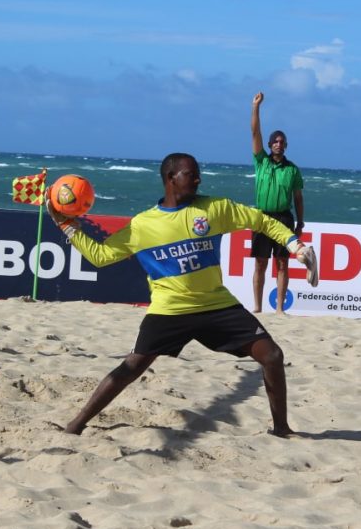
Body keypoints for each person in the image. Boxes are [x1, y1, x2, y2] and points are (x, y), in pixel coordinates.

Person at [47, 152, 318, 437]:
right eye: (191, 174)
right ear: (170, 178)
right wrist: (66, 225)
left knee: (272, 356)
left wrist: (297, 247)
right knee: (132, 367)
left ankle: (281, 429)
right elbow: (101, 256)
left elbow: (263, 222)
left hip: (216, 304)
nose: (198, 179)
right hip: (170, 309)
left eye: (198, 173)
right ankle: (76, 425)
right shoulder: (143, 225)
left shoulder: (215, 209)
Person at [249, 91, 305, 314]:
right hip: (262, 217)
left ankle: (280, 309)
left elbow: (298, 198)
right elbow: (255, 132)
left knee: (282, 263)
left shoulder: (292, 169)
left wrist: (300, 223)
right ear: (270, 144)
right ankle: (258, 307)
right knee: (260, 263)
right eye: (275, 141)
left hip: (283, 217)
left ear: (286, 145)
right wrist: (256, 107)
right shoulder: (261, 161)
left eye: (282, 142)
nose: (278, 144)